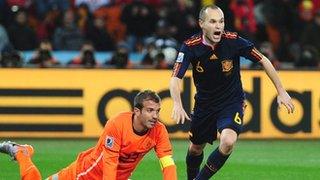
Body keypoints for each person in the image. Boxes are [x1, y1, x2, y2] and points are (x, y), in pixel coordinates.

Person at [169, 5, 295, 180]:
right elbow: (175, 78)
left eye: (221, 21)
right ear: (201, 24)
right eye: (213, 22)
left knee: (228, 141)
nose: (218, 26)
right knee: (196, 148)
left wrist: (281, 91)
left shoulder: (233, 40)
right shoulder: (190, 46)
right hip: (204, 105)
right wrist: (177, 102)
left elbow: (263, 60)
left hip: (231, 102)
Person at [0, 90, 177, 180]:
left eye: (158, 111)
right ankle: (22, 153)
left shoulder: (159, 130)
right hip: (85, 173)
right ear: (137, 111)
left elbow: (167, 163)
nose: (155, 116)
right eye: (150, 110)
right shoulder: (117, 124)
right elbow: (109, 162)